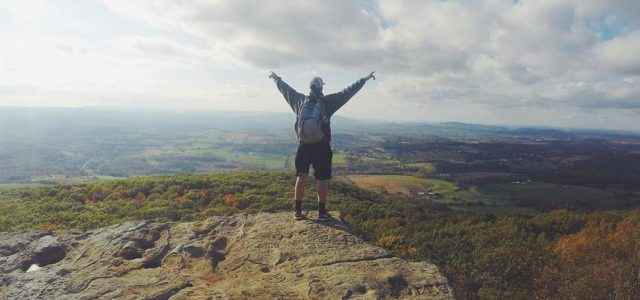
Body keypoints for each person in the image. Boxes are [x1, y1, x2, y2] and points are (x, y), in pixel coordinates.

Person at [269, 71, 376, 221]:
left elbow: (285, 89)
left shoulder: (299, 101)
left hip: (304, 145)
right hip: (321, 146)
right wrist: (363, 80)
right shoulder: (327, 102)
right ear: (321, 88)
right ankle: (321, 213)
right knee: (322, 179)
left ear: (310, 87)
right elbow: (347, 92)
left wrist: (276, 79)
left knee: (301, 177)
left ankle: (298, 211)